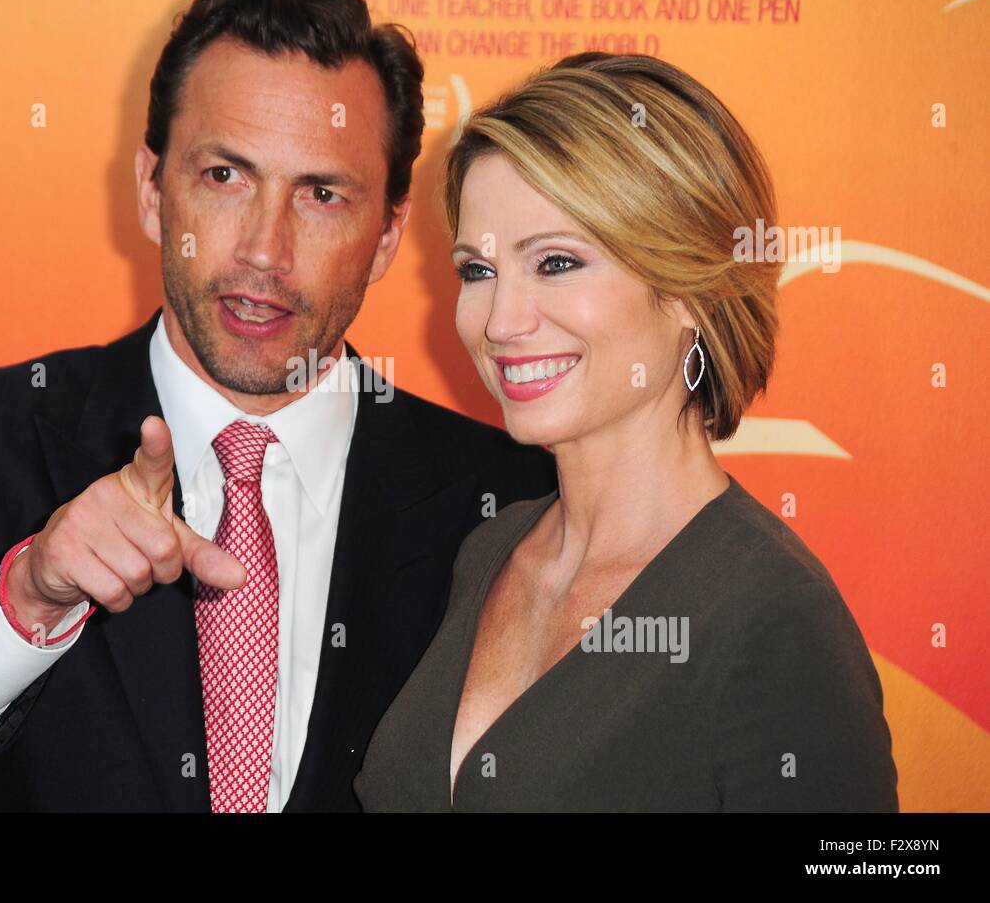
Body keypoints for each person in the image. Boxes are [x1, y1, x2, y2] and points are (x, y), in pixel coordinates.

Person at [0, 0, 555, 813]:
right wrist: (29, 594)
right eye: (224, 176)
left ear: (387, 236)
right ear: (152, 190)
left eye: (320, 194)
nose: (264, 252)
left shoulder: (511, 497)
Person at [354, 52, 899, 811]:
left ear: (687, 290)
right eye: (477, 271)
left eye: (555, 262)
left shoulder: (774, 618)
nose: (500, 322)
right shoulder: (491, 551)